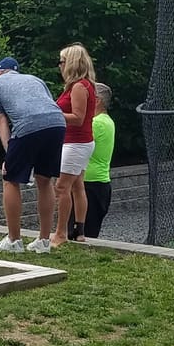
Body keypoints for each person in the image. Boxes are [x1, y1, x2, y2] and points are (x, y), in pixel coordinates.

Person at [0, 56, 62, 254]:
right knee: (45, 180)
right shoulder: (36, 80)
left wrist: (9, 153)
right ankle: (44, 242)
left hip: (28, 124)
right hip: (57, 123)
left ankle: (13, 241)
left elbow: (1, 121)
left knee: (10, 179)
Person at [51, 43, 99, 247]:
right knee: (77, 185)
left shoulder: (79, 87)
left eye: (61, 62)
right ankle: (79, 230)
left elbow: (78, 118)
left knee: (61, 187)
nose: (59, 66)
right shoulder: (84, 85)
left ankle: (61, 232)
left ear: (70, 63)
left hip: (75, 142)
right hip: (80, 142)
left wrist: (53, 114)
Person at [71, 83, 115, 241]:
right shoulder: (107, 121)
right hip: (97, 185)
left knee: (81, 235)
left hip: (90, 186)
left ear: (96, 101)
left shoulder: (96, 123)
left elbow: (75, 142)